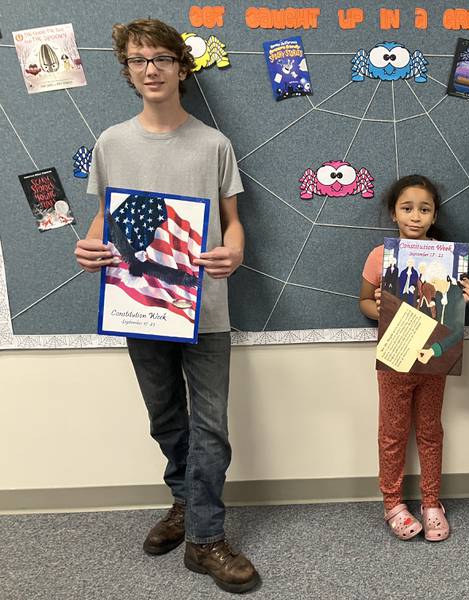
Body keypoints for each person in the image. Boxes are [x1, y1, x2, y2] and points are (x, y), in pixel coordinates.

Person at [73, 19, 258, 594]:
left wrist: (232, 254)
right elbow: (107, 217)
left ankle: (206, 539)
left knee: (212, 427)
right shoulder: (111, 143)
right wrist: (89, 245)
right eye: (136, 60)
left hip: (206, 309)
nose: (149, 69)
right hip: (137, 307)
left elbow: (232, 223)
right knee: (165, 419)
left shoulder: (213, 144)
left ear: (182, 67)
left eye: (159, 58)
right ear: (127, 72)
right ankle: (184, 502)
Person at [359, 175, 469, 542]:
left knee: (430, 430)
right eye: (406, 208)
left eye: (424, 209)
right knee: (392, 433)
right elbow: (363, 301)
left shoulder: (446, 257)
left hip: (433, 360)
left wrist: (465, 295)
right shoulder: (381, 256)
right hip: (395, 357)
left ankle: (431, 502)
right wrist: (378, 306)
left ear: (434, 214)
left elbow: (448, 307)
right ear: (393, 213)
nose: (415, 216)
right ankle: (392, 503)